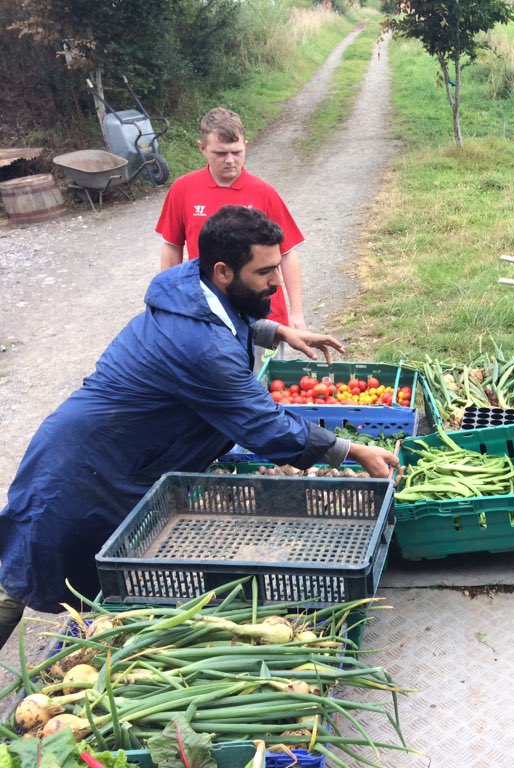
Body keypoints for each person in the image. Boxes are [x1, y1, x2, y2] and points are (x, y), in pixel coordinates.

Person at [0, 206, 397, 649]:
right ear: (224, 270)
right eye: (265, 272)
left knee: (101, 573)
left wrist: (276, 331)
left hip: (130, 456)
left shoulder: (196, 282)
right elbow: (264, 425)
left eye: (277, 267)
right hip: (80, 468)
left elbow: (230, 314)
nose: (277, 282)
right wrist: (353, 451)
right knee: (21, 573)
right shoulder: (201, 349)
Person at [156, 106, 305, 332]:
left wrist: (296, 313)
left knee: (261, 368)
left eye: (236, 152)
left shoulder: (264, 193)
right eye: (220, 153)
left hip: (263, 313)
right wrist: (168, 303)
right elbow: (172, 247)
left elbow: (287, 253)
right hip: (206, 312)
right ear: (202, 148)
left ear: (245, 146)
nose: (230, 160)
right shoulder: (183, 189)